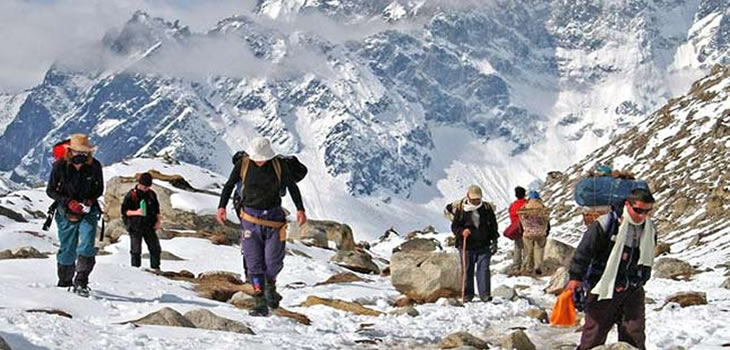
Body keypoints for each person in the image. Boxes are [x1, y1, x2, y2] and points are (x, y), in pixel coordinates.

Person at [216, 137, 307, 316]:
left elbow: (292, 187)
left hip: (274, 219)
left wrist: (300, 209)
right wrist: (221, 207)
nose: (259, 160)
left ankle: (270, 285)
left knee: (273, 262)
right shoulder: (243, 164)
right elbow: (228, 186)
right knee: (254, 263)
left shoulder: (279, 165)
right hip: (250, 218)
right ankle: (260, 301)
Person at [566, 188, 657, 350]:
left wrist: (641, 278)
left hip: (632, 289)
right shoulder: (606, 224)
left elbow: (646, 258)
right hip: (604, 288)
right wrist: (575, 278)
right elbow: (584, 252)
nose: (643, 216)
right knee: (593, 336)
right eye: (638, 210)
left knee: (634, 337)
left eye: (648, 211)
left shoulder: (649, 228)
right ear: (627, 205)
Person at [46, 133, 104, 297]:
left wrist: (90, 200)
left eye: (84, 153)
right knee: (68, 248)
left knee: (87, 243)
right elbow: (50, 190)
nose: (81, 155)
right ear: (71, 151)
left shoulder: (95, 166)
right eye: (79, 152)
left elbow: (99, 189)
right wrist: (67, 201)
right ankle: (64, 282)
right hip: (66, 211)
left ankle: (81, 281)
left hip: (88, 211)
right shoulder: (60, 167)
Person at [446, 184, 499, 302]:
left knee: (484, 269)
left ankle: (485, 294)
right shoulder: (461, 209)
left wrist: (494, 240)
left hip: (484, 244)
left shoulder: (486, 208)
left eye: (478, 199)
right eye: (473, 199)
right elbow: (455, 226)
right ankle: (468, 294)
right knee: (467, 269)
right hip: (467, 245)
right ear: (468, 197)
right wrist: (462, 231)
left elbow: (493, 225)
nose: (476, 202)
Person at [121, 172, 162, 270]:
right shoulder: (131, 195)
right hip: (135, 225)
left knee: (155, 248)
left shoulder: (151, 194)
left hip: (149, 225)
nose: (145, 189)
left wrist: (158, 222)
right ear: (139, 184)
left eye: (147, 187)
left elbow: (157, 209)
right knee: (136, 250)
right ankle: (136, 269)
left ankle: (155, 268)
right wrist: (137, 212)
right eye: (144, 186)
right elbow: (125, 211)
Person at [521, 190, 549, 275]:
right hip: (540, 232)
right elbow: (546, 219)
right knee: (539, 249)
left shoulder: (525, 207)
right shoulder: (542, 207)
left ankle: (529, 267)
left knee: (528, 249)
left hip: (528, 232)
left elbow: (521, 218)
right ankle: (538, 266)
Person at [507, 186, 527, 271]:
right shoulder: (527, 204)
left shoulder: (513, 205)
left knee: (517, 247)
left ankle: (516, 266)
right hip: (526, 228)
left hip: (516, 229)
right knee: (527, 247)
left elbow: (511, 215)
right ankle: (526, 266)